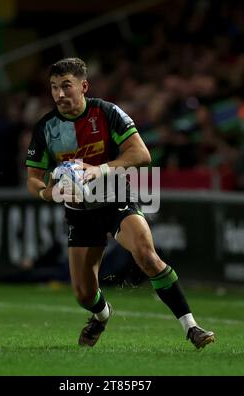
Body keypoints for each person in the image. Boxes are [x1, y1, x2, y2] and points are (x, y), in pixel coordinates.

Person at [25, 57, 215, 349]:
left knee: (147, 256)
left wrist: (99, 169)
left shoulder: (107, 113)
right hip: (80, 213)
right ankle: (102, 316)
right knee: (84, 294)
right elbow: (34, 178)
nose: (60, 94)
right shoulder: (45, 128)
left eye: (66, 86)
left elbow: (141, 155)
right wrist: (47, 193)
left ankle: (191, 327)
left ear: (83, 86)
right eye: (54, 88)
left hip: (116, 198)